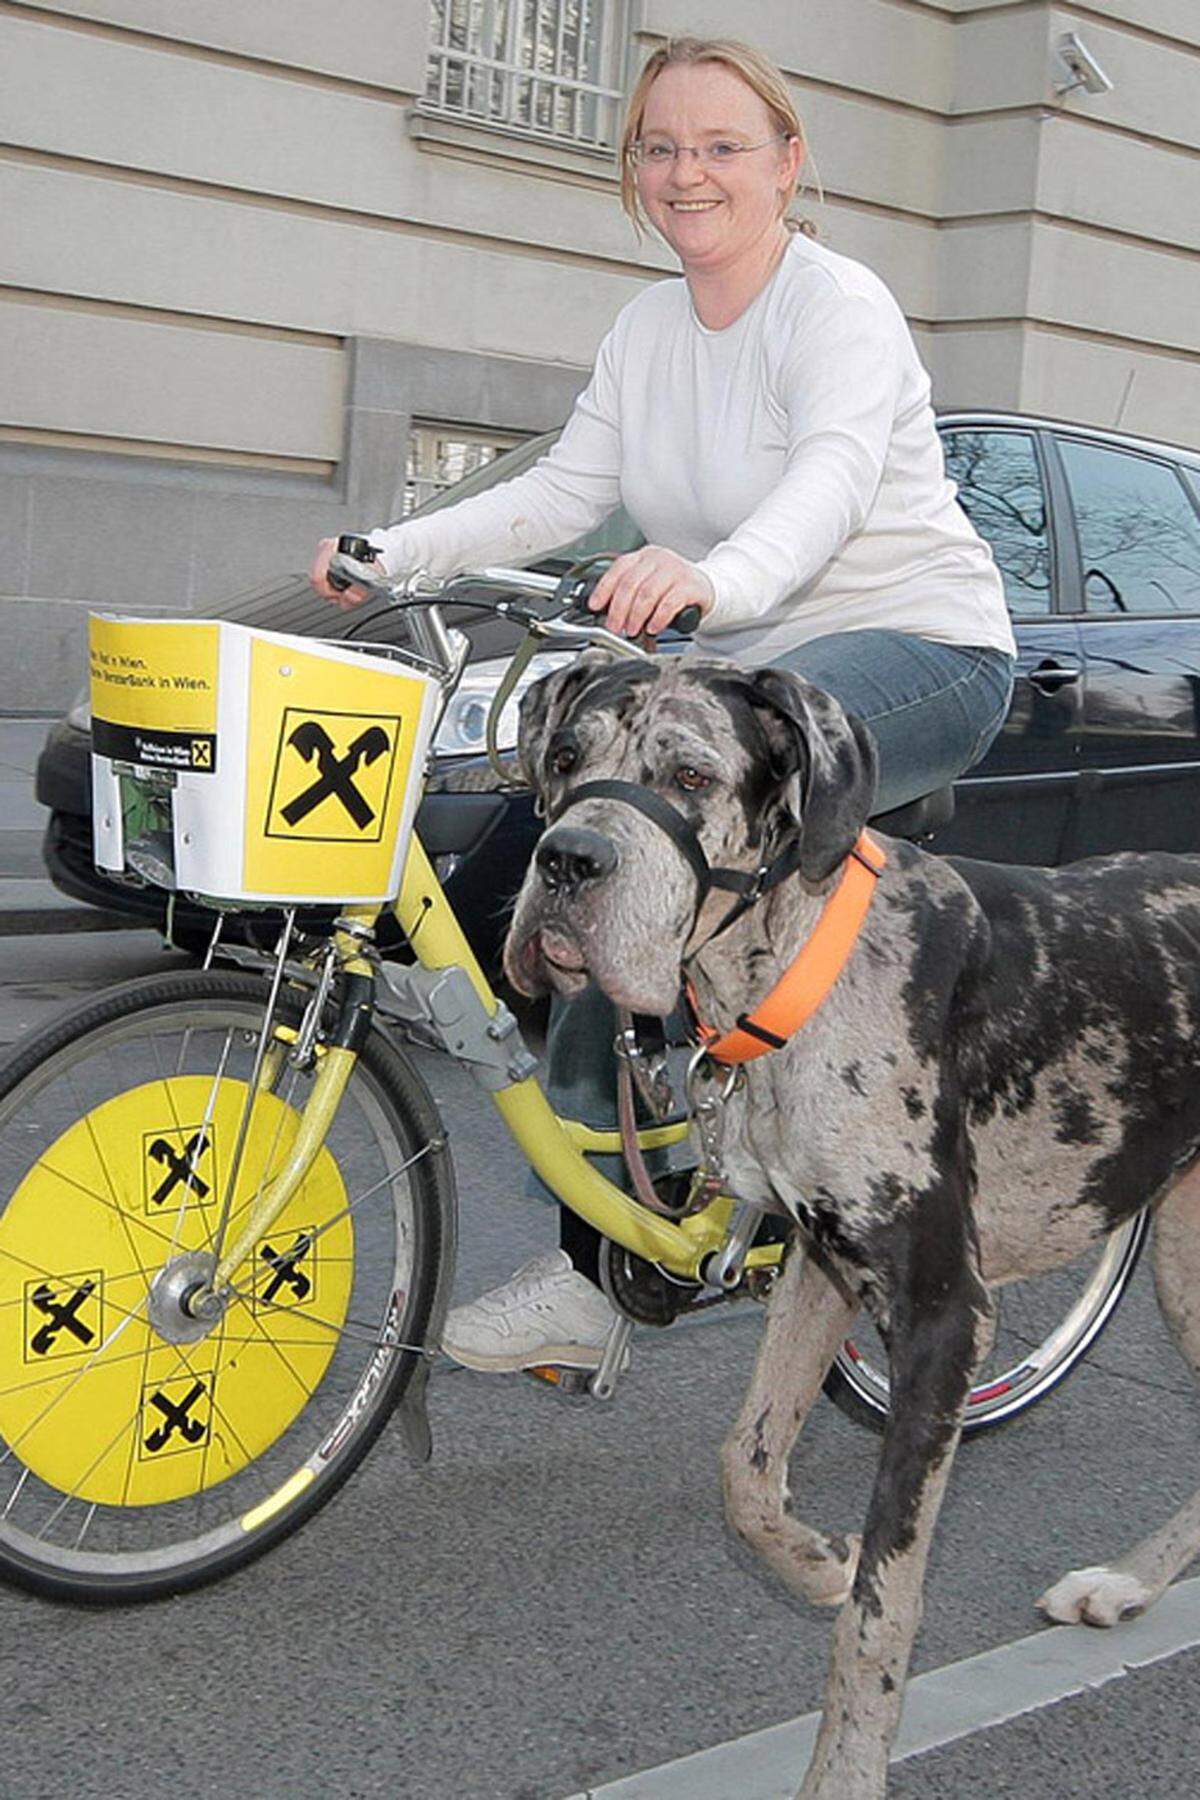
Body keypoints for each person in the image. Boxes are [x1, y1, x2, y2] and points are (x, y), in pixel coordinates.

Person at [311, 36, 1016, 1375]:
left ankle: (670, 1245)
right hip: (745, 677)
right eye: (661, 147)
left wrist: (711, 576)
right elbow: (567, 488)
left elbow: (829, 477)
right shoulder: (647, 328)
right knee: (573, 850)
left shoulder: (836, 306)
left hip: (916, 647)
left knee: (660, 849)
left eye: (721, 146)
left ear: (786, 163)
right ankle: (654, 1194)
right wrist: (397, 552)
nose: (686, 172)